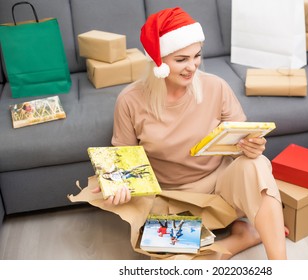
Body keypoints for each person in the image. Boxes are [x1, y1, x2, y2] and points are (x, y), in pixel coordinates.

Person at [94, 7, 287, 260]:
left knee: (257, 164)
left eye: (196, 56)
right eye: (181, 59)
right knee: (173, 266)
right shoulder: (129, 101)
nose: (192, 66)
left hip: (219, 189)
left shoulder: (215, 87)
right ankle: (240, 239)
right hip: (167, 200)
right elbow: (125, 161)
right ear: (159, 62)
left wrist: (251, 147)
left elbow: (241, 140)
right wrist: (117, 185)